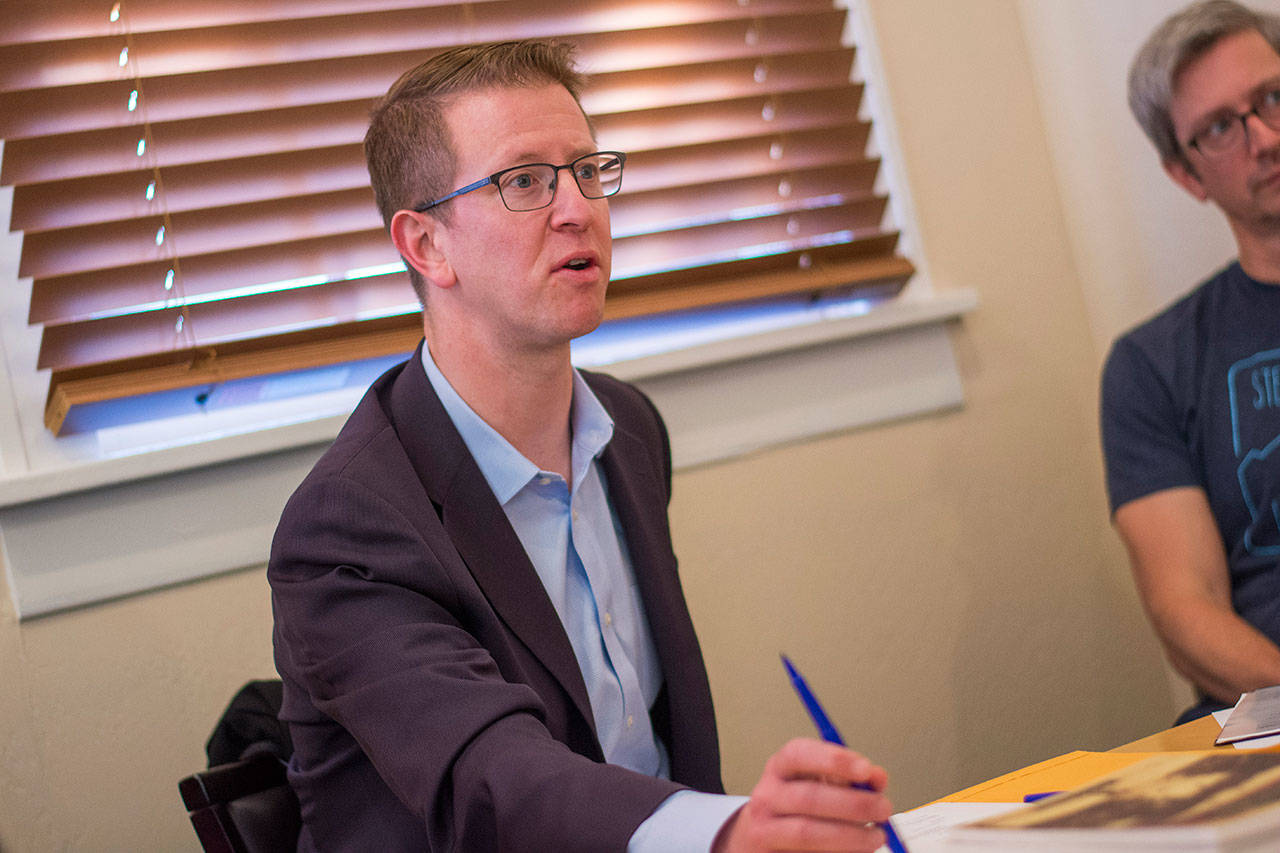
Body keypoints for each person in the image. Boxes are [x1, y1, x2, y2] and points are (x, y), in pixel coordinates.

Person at [268, 39, 892, 851]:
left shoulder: (629, 427)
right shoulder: (345, 527)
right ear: (426, 245)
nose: (578, 209)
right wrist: (725, 830)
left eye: (588, 170)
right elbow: (495, 780)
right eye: (525, 181)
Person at [1103, 0, 1280, 724]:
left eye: (1273, 97)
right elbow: (1185, 609)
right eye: (1220, 128)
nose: (1265, 138)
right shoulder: (1150, 365)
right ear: (1186, 176)